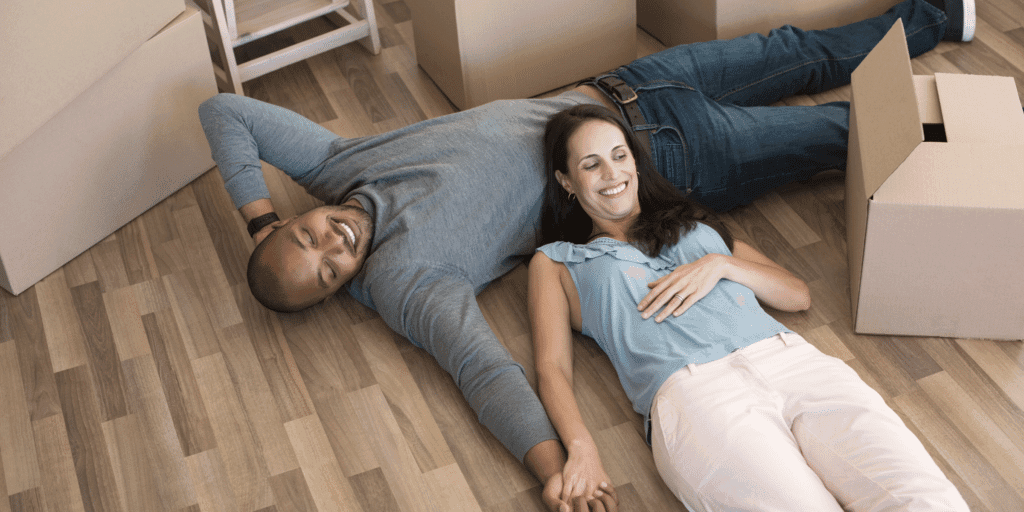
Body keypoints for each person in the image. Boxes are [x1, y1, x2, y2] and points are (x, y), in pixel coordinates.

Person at [197, 1, 969, 509]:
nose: (332, 245)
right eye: (330, 273)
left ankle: (939, 14)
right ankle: (986, 144)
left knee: (794, 54)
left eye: (307, 236)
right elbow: (490, 371)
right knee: (845, 134)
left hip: (622, 92)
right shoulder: (405, 281)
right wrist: (558, 466)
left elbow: (225, 108)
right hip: (664, 165)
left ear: (297, 216)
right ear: (342, 291)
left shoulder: (337, 163)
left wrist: (257, 218)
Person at [528, 102, 970, 511]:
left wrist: (721, 265)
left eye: (619, 155)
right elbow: (552, 367)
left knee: (925, 498)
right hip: (695, 398)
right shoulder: (557, 263)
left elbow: (797, 295)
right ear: (566, 180)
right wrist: (582, 449)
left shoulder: (693, 225)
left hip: (794, 361)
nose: (612, 172)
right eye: (591, 164)